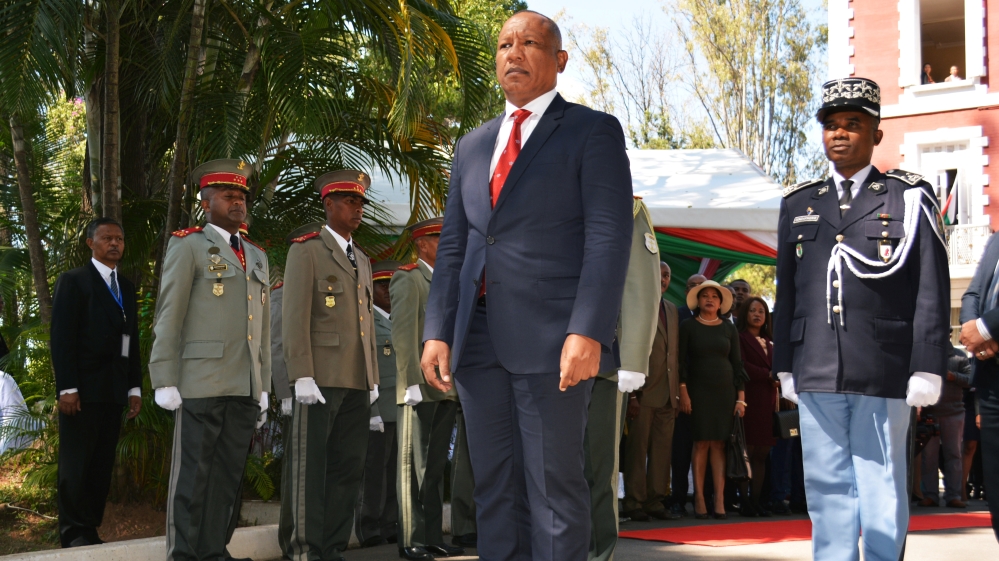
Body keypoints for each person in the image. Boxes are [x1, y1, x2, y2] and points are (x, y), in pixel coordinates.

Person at [419, 9, 633, 560]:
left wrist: (588, 330)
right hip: (478, 340)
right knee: (492, 489)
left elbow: (608, 239)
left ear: (558, 61)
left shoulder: (592, 131)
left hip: (554, 340)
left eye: (530, 43)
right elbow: (455, 248)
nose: (513, 53)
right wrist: (437, 330)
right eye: (504, 44)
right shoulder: (471, 146)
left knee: (553, 491)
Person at [774, 77, 949, 561]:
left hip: (883, 367)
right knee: (826, 489)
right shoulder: (799, 203)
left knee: (881, 487)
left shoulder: (908, 197)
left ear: (876, 134)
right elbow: (787, 290)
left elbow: (931, 286)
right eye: (831, 125)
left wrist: (928, 364)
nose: (840, 133)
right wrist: (784, 363)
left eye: (854, 124)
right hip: (816, 365)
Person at [150, 159, 272, 561]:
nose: (238, 202)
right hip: (200, 381)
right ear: (206, 203)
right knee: (193, 478)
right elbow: (169, 314)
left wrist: (265, 385)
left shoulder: (255, 254)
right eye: (228, 195)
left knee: (227, 477)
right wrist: (163, 377)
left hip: (244, 384)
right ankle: (183, 555)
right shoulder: (188, 245)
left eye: (242, 196)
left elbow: (263, 329)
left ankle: (214, 551)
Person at [279, 170, 380, 561]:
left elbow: (366, 324)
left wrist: (372, 377)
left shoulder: (364, 259)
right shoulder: (307, 250)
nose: (357, 209)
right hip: (319, 378)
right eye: (349, 202)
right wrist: (301, 373)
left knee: (347, 467)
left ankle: (332, 546)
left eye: (360, 203)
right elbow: (295, 317)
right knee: (308, 467)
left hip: (356, 379)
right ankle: (304, 549)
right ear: (329, 205)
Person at [50, 217, 141, 548]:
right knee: (76, 464)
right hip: (82, 391)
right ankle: (72, 532)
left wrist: (133, 387)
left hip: (114, 391)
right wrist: (67, 388)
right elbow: (62, 338)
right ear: (91, 243)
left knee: (102, 464)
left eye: (119, 238)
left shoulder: (126, 287)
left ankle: (89, 528)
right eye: (107, 238)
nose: (114, 243)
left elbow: (130, 340)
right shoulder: (73, 281)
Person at [586, 196, 660, 560]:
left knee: (598, 468)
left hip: (600, 358)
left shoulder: (625, 208)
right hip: (535, 356)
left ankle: (596, 552)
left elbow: (640, 282)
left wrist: (632, 356)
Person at [392, 217, 465, 560]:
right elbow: (404, 335)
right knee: (412, 467)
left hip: (446, 388)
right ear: (422, 244)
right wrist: (409, 383)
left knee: (435, 467)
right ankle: (410, 538)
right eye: (440, 239)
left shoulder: (450, 282)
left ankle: (432, 534)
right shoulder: (410, 278)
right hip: (419, 387)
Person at [678, 281, 746, 519]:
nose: (709, 299)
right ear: (697, 301)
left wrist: (741, 399)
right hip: (697, 391)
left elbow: (738, 365)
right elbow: (680, 362)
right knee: (701, 443)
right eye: (704, 295)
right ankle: (698, 497)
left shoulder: (729, 328)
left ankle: (719, 498)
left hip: (725, 393)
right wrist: (683, 391)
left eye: (714, 296)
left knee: (719, 443)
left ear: (720, 302)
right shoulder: (688, 326)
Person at [623, 261, 680, 522]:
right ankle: (634, 502)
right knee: (637, 450)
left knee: (661, 451)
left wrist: (677, 393)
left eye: (667, 275)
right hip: (642, 393)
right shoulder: (636, 304)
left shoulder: (672, 310)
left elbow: (674, 355)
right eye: (659, 273)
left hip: (668, 395)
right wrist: (632, 395)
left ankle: (655, 501)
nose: (663, 278)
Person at [355, 259, 403, 548]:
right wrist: (371, 412)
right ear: (370, 289)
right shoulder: (368, 321)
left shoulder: (402, 318)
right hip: (377, 409)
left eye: (391, 285)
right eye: (382, 285)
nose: (388, 291)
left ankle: (390, 523)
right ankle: (368, 526)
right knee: (373, 474)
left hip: (399, 407)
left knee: (396, 472)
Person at [958, 225, 999, 540]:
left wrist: (987, 329)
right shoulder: (997, 240)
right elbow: (972, 293)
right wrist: (975, 333)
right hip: (991, 381)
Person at [668, 272, 708, 518]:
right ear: (686, 292)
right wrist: (681, 389)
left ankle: (709, 499)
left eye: (701, 285)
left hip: (711, 393)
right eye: (691, 285)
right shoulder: (677, 314)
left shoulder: (720, 319)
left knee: (709, 446)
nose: (696, 288)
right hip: (683, 390)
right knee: (681, 450)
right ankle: (678, 499)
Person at [735, 296, 776, 517]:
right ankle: (745, 503)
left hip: (767, 402)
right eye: (753, 310)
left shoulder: (771, 342)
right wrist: (766, 374)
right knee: (747, 453)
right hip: (748, 399)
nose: (758, 314)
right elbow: (741, 366)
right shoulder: (739, 338)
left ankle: (756, 500)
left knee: (762, 453)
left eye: (762, 310)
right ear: (745, 314)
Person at [918, 344, 971, 508]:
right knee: (929, 457)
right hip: (930, 413)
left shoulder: (959, 356)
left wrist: (953, 376)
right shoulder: (924, 355)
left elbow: (971, 380)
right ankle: (930, 496)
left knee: (954, 455)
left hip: (954, 412)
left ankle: (954, 496)